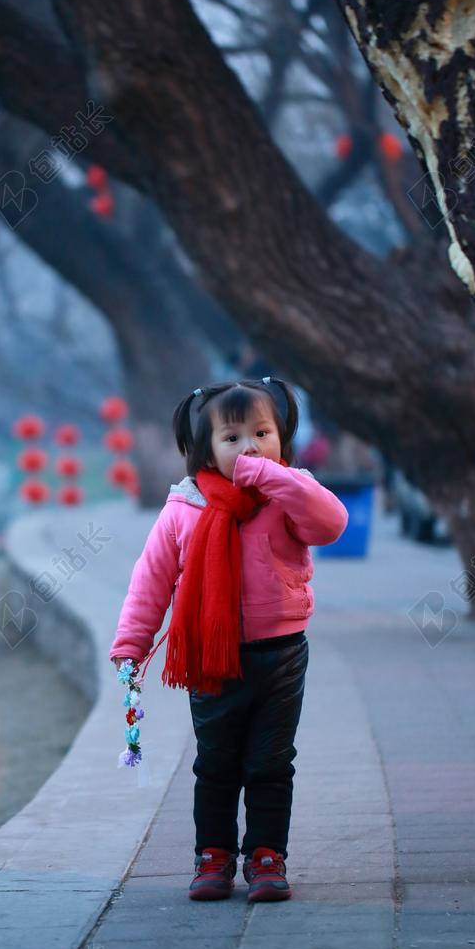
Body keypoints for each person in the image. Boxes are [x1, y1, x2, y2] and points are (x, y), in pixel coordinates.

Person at [109, 378, 348, 903]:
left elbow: (331, 523)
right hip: (212, 660)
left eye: (263, 433)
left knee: (270, 761)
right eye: (233, 438)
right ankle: (212, 857)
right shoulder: (184, 507)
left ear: (282, 437)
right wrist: (132, 643)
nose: (250, 448)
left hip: (280, 655)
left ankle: (266, 856)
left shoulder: (288, 492)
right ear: (204, 450)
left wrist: (275, 476)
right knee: (215, 763)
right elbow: (150, 581)